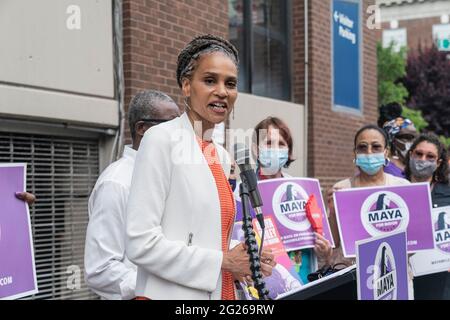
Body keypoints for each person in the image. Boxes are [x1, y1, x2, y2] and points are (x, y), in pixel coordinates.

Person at [125, 35, 275, 300]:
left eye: (230, 83)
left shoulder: (222, 156)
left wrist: (244, 258)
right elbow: (140, 243)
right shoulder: (160, 140)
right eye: (209, 80)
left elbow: (203, 238)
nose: (222, 91)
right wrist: (223, 261)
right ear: (186, 86)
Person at [84, 90, 181, 300]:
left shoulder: (170, 175)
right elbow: (100, 270)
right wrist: (156, 287)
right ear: (142, 129)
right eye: (172, 126)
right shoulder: (116, 183)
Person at [326, 125, 414, 298]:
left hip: (396, 278)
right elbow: (334, 243)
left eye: (376, 147)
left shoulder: (403, 188)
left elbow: (415, 241)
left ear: (386, 152)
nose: (369, 152)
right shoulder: (341, 189)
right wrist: (332, 210)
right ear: (355, 153)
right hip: (355, 281)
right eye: (362, 147)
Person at [253, 117, 332, 284]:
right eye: (268, 143)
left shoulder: (301, 190)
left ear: (288, 151)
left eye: (281, 144)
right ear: (256, 149)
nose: (275, 149)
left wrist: (324, 252)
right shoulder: (243, 192)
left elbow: (317, 237)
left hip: (304, 277)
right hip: (264, 284)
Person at [404, 133, 450, 299]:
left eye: (430, 156)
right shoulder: (394, 189)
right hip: (403, 278)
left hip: (439, 281)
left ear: (438, 163)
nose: (423, 159)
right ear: (411, 155)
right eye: (419, 153)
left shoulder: (448, 193)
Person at [378, 103, 418, 178]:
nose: (412, 142)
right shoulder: (382, 168)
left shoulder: (415, 165)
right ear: (392, 139)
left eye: (414, 137)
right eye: (407, 137)